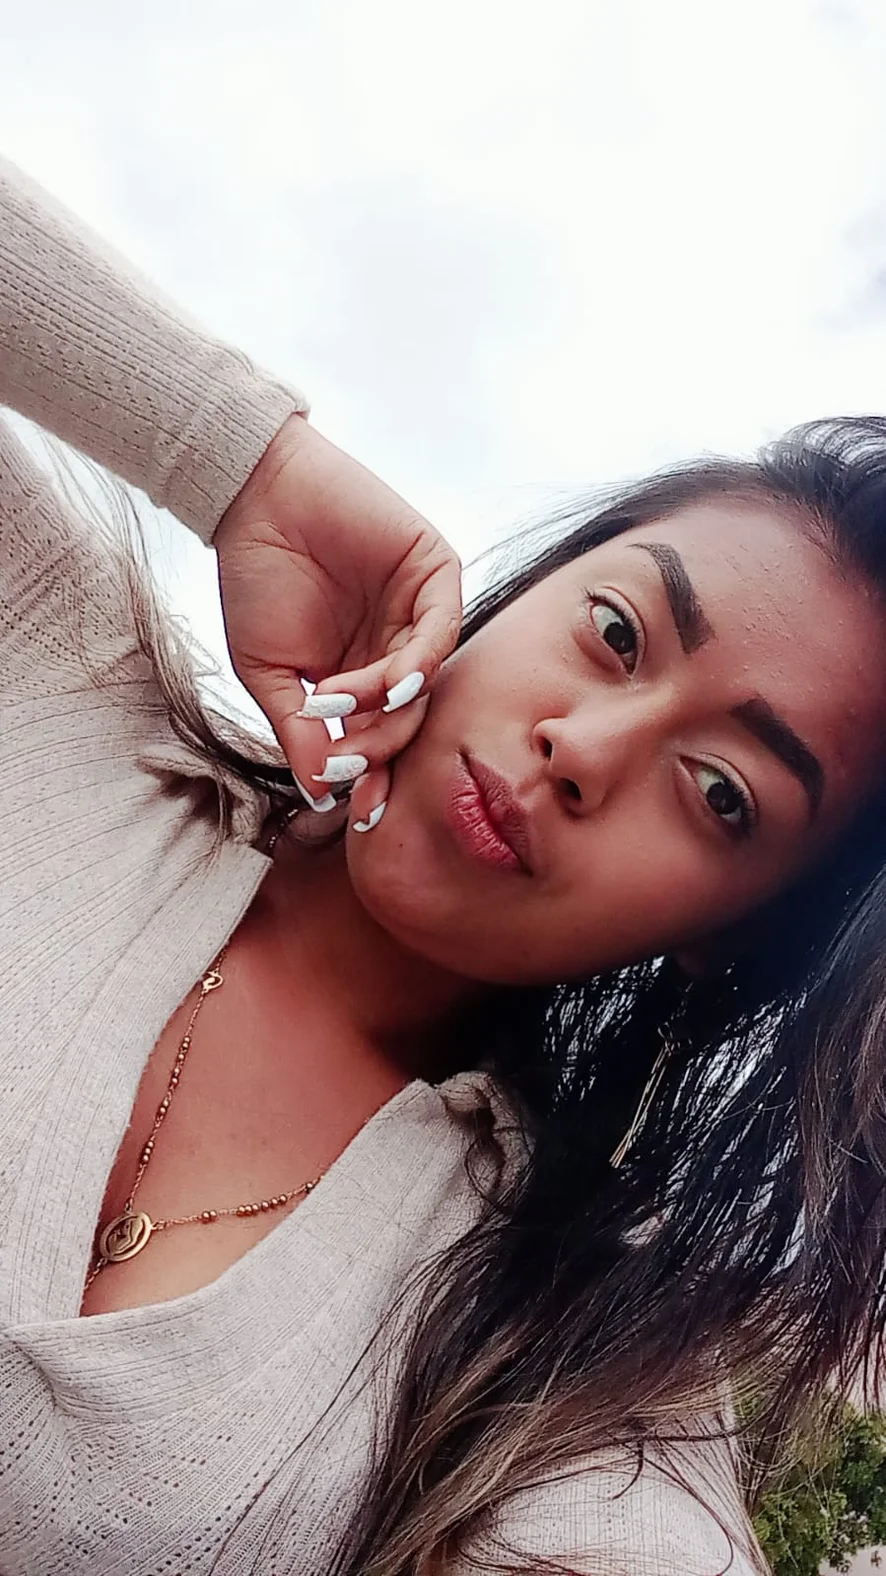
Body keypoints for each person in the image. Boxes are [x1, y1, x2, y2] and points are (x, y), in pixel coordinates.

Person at [4, 155, 886, 1576]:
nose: (584, 749)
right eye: (615, 633)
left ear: (729, 931)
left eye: (721, 792)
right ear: (516, 594)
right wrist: (240, 458)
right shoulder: (54, 691)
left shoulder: (568, 1351)